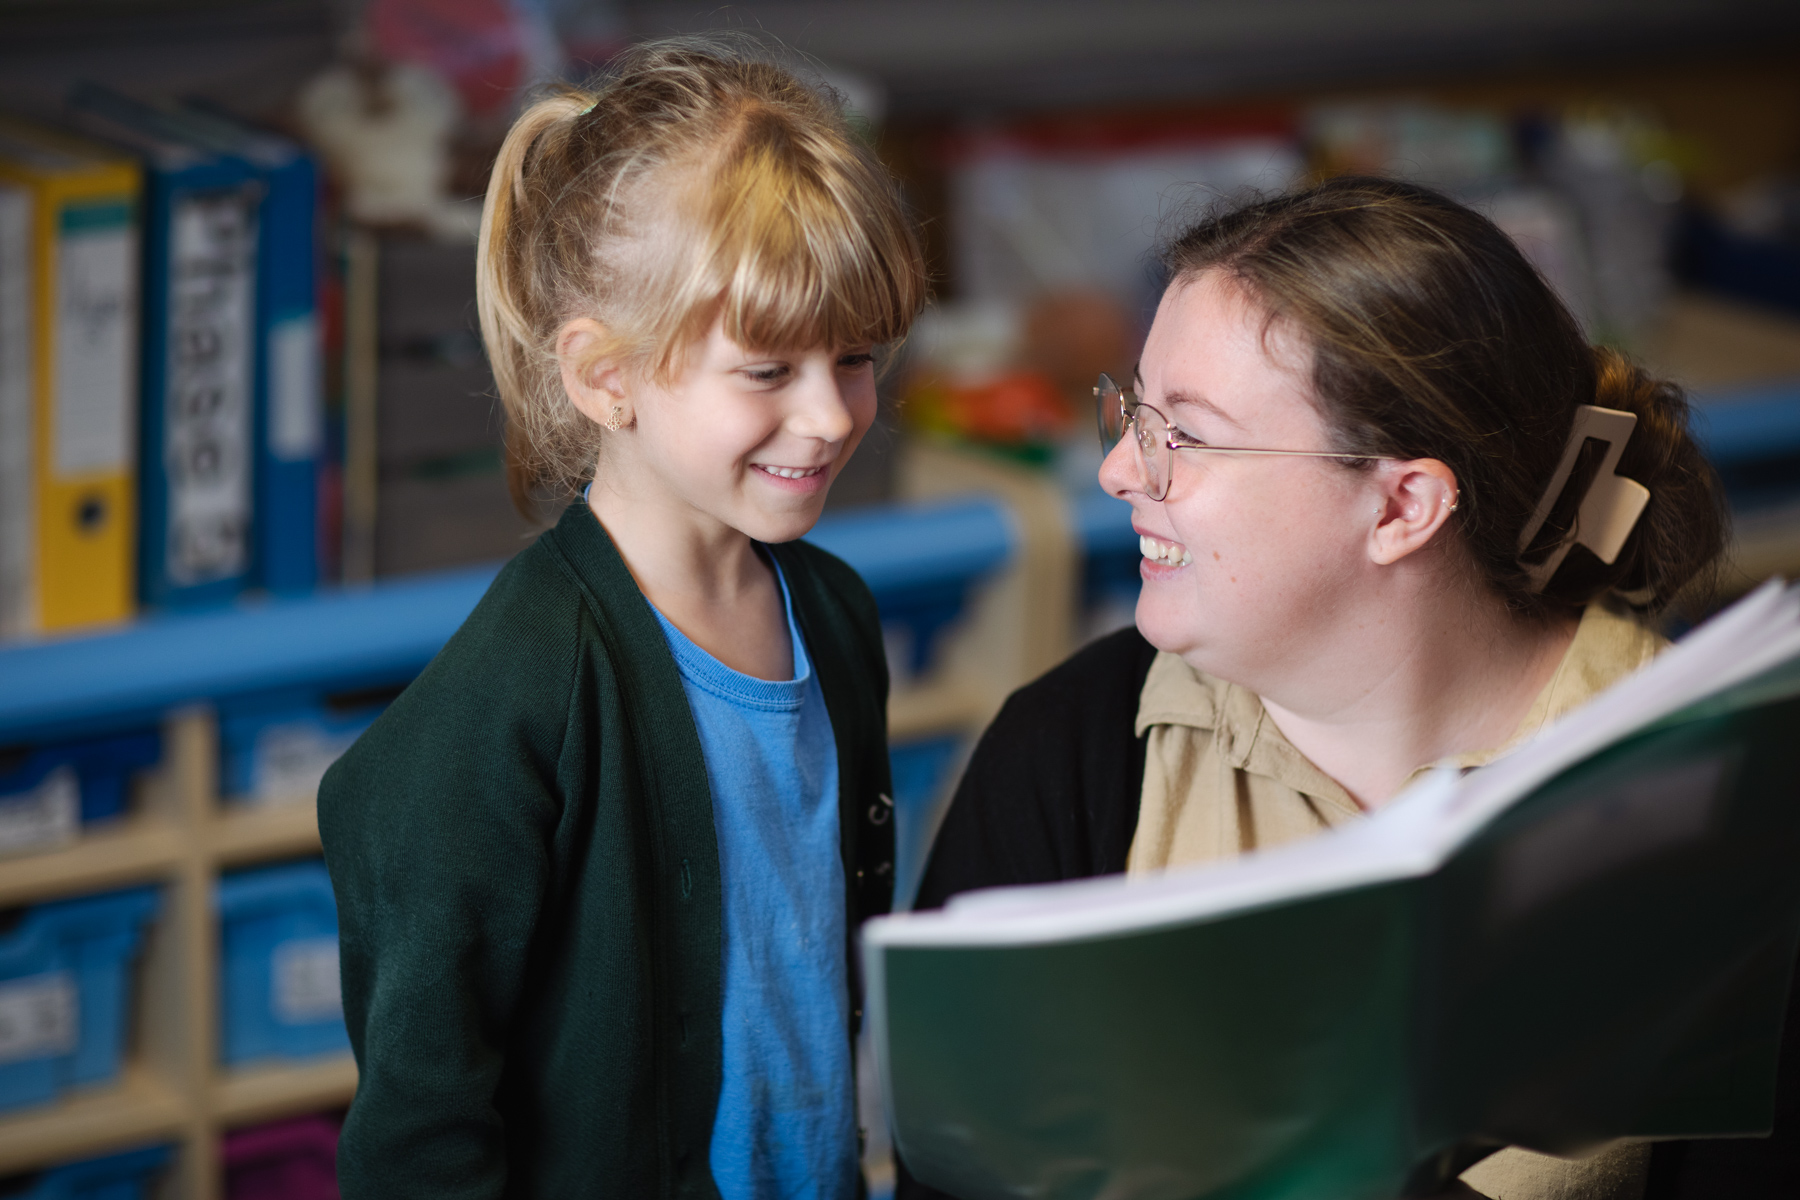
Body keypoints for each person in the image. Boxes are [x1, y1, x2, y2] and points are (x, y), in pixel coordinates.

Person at [899, 176, 1729, 1200]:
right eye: (1137, 411)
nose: (1120, 469)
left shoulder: (1721, 801)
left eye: (1187, 435)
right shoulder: (1070, 752)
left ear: (1401, 507)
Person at [318, 39, 925, 1200]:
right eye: (766, 370)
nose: (833, 416)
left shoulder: (834, 614)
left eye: (855, 358)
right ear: (606, 378)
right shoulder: (522, 688)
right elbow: (419, 1122)